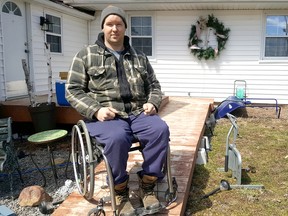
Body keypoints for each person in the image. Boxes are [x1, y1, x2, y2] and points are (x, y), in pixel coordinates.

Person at [66, 5, 170, 216]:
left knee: (160, 130)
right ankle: (120, 190)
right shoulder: (85, 55)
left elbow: (154, 86)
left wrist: (154, 102)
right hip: (107, 116)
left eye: (119, 24)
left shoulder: (139, 56)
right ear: (103, 27)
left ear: (125, 27)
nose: (114, 29)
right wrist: (95, 110)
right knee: (117, 138)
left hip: (138, 112)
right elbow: (73, 91)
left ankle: (148, 184)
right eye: (109, 24)